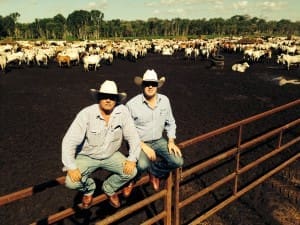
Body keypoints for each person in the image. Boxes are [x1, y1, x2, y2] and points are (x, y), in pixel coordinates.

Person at [61, 80, 141, 209]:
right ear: (99, 97)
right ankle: (89, 189)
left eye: (112, 97)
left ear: (116, 99)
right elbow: (69, 140)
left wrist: (132, 158)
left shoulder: (122, 112)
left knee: (132, 172)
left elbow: (133, 136)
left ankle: (109, 187)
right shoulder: (86, 114)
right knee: (71, 183)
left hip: (111, 154)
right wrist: (71, 166)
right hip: (88, 156)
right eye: (105, 96)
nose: (108, 100)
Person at [124, 69, 183, 195]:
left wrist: (171, 141)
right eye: (147, 83)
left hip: (158, 139)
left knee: (178, 161)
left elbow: (171, 122)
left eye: (153, 83)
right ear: (142, 85)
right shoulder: (132, 105)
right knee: (142, 165)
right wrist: (143, 146)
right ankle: (131, 180)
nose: (150, 86)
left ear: (157, 86)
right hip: (139, 141)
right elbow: (128, 131)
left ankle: (154, 171)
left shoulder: (165, 101)